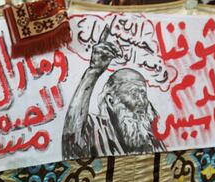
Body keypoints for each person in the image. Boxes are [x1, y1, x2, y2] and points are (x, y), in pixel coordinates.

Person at [62, 27, 166, 159]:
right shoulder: (95, 128)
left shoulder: (150, 137)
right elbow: (71, 144)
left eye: (143, 94)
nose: (141, 101)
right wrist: (93, 72)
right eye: (134, 94)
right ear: (111, 101)